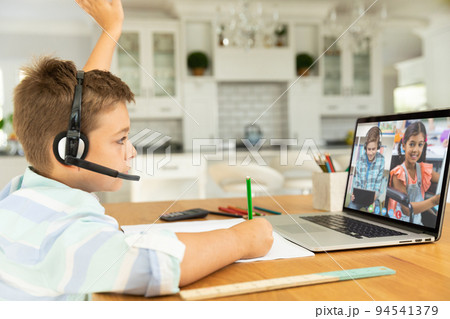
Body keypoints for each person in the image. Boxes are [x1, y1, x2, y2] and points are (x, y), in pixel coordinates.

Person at [0, 0, 273, 300]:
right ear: (70, 150)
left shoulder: (19, 196)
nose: (131, 152)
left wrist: (111, 29)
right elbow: (155, 266)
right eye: (121, 139)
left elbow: (85, 112)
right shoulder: (66, 237)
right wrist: (242, 239)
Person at [388, 121, 440, 225]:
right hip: (400, 225)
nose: (416, 149)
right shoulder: (399, 174)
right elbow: (407, 210)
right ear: (404, 145)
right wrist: (433, 201)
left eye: (420, 145)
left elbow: (444, 180)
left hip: (417, 224)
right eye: (412, 144)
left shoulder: (423, 170)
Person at [348, 126, 385, 212]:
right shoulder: (360, 160)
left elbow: (378, 185)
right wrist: (353, 195)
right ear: (365, 147)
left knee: (374, 213)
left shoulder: (381, 160)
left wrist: (373, 199)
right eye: (369, 149)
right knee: (350, 209)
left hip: (372, 199)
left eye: (374, 149)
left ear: (378, 147)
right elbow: (356, 182)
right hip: (359, 199)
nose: (371, 152)